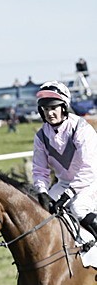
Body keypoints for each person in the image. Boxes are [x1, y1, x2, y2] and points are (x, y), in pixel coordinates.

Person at [32, 80, 97, 241]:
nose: (50, 113)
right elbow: (40, 170)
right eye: (46, 109)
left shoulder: (81, 128)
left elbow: (89, 168)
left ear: (63, 107)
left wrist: (68, 195)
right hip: (63, 184)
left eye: (53, 108)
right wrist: (42, 192)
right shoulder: (41, 136)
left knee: (78, 208)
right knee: (41, 211)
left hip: (91, 181)